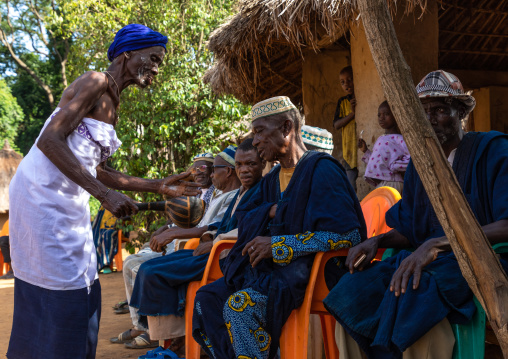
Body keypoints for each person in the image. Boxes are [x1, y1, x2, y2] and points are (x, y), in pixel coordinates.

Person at [7, 24, 200, 359]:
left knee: (84, 279)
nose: (156, 68)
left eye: (159, 62)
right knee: (61, 282)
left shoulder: (114, 102)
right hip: (41, 196)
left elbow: (100, 171)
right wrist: (104, 195)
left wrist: (157, 185)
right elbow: (49, 140)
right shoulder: (95, 81)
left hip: (69, 199)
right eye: (152, 58)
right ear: (128, 54)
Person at [323, 70, 508, 359]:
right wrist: (377, 242)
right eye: (423, 112)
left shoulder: (493, 151)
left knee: (412, 291)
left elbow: (506, 226)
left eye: (440, 110)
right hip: (427, 258)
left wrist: (436, 244)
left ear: (460, 111)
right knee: (354, 291)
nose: (430, 119)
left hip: (479, 259)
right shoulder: (419, 167)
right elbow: (411, 227)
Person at [192, 96, 367, 359]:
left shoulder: (322, 170)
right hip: (272, 273)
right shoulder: (273, 178)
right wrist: (270, 212)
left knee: (238, 307)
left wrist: (278, 246)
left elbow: (348, 235)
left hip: (310, 272)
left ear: (287, 128)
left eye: (260, 132)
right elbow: (246, 214)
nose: (256, 140)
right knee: (206, 299)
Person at [128, 139, 265, 356]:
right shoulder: (240, 193)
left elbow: (250, 228)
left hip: (225, 257)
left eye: (251, 164)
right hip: (213, 249)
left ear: (262, 165)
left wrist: (213, 243)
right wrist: (210, 236)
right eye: (240, 165)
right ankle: (166, 336)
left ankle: (176, 339)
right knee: (152, 266)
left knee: (151, 271)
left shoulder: (260, 192)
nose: (244, 170)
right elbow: (219, 225)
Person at [113, 147, 240, 349]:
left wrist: (194, 236)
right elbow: (209, 226)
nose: (209, 174)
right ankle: (158, 333)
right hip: (201, 248)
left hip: (216, 255)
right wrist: (173, 229)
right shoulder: (219, 194)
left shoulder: (232, 196)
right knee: (143, 267)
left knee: (148, 270)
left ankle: (164, 337)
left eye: (212, 169)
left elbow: (215, 228)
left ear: (229, 171)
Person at [358, 101, 410, 194]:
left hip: (393, 183)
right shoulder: (381, 138)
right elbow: (380, 163)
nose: (382, 118)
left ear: (396, 115)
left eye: (386, 114)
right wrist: (365, 150)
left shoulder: (400, 139)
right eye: (379, 115)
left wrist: (395, 166)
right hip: (383, 183)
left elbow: (411, 160)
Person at [333, 66, 358, 191]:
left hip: (361, 149)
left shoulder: (361, 96)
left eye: (350, 80)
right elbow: (336, 124)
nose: (346, 84)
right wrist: (352, 115)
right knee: (351, 187)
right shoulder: (342, 102)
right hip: (348, 151)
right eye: (342, 82)